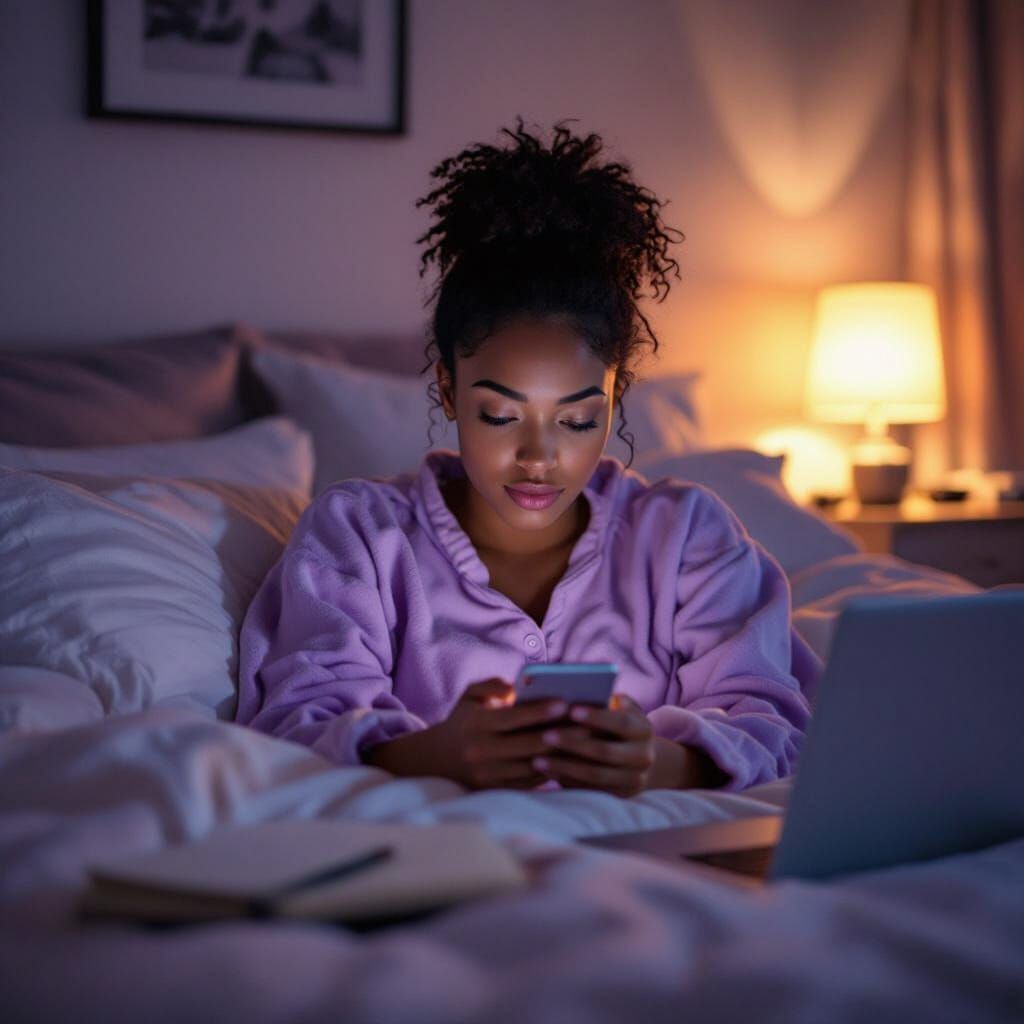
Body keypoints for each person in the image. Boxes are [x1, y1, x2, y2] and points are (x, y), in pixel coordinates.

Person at [236, 117, 820, 797]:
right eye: (501, 415)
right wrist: (430, 755)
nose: (539, 456)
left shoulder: (690, 537)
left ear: (615, 397)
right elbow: (296, 719)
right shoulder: (359, 536)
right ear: (448, 390)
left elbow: (778, 720)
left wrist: (663, 763)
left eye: (577, 420)